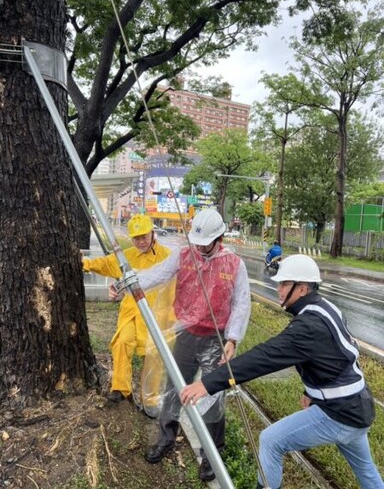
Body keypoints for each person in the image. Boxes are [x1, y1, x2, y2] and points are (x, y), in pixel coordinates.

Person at [180, 254, 384, 489]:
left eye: (285, 284)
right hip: (359, 405)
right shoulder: (326, 308)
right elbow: (340, 356)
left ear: (302, 289)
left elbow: (263, 358)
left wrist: (207, 383)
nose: (278, 289)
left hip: (340, 414)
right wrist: (316, 394)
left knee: (271, 440)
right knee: (366, 471)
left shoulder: (306, 327)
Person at [110, 208, 251, 481]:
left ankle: (213, 455)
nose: (199, 247)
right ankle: (166, 439)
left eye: (205, 243)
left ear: (218, 238)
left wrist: (233, 338)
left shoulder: (234, 264)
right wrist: (126, 284)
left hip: (216, 337)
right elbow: (157, 274)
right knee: (175, 388)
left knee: (213, 397)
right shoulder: (185, 254)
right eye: (196, 241)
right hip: (186, 335)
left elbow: (241, 303)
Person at [83, 214, 172, 405]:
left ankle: (151, 399)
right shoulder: (127, 257)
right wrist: (84, 263)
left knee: (155, 356)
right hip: (131, 314)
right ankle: (121, 389)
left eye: (143, 237)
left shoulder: (167, 257)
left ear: (152, 233)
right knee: (122, 342)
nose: (140, 242)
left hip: (156, 316)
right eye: (136, 238)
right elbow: (105, 263)